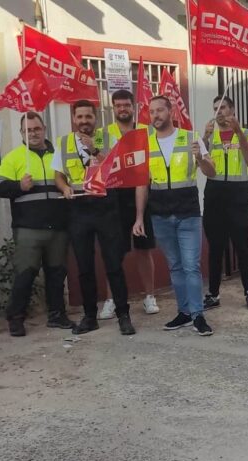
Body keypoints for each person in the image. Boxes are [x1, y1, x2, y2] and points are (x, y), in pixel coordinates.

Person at [134, 95, 215, 336]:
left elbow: (211, 171)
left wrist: (200, 158)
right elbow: (141, 184)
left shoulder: (191, 138)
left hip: (188, 213)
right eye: (152, 111)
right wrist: (139, 217)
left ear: (171, 113)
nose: (155, 115)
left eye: (160, 110)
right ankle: (184, 312)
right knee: (175, 266)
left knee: (191, 266)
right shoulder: (146, 144)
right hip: (159, 215)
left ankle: (198, 315)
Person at [54, 100, 136, 336]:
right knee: (84, 266)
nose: (84, 122)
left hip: (105, 207)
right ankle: (90, 316)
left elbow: (117, 169)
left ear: (95, 118)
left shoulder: (105, 138)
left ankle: (123, 315)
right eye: (79, 117)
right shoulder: (64, 142)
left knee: (113, 264)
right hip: (78, 208)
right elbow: (59, 176)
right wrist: (64, 188)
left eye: (88, 117)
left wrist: (95, 150)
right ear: (74, 119)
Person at [0, 112, 72, 336]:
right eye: (28, 130)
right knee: (25, 273)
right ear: (21, 133)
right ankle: (16, 318)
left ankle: (57, 314)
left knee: (57, 273)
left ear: (44, 129)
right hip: (28, 227)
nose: (33, 133)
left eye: (36, 129)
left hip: (57, 226)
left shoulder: (59, 154)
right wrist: (19, 186)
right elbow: (0, 187)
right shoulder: (14, 157)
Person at [94, 89, 160, 318]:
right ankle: (112, 300)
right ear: (113, 108)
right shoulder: (103, 134)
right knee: (114, 252)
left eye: (126, 105)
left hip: (142, 193)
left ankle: (149, 296)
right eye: (118, 105)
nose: (123, 109)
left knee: (144, 249)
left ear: (134, 107)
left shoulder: (146, 131)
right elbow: (98, 162)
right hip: (115, 197)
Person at [202, 95, 248, 311]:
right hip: (215, 195)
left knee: (242, 246)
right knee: (215, 247)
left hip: (238, 196)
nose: (220, 113)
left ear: (233, 110)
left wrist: (238, 134)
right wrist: (204, 139)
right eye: (216, 109)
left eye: (223, 108)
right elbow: (201, 162)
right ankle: (213, 294)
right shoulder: (211, 134)